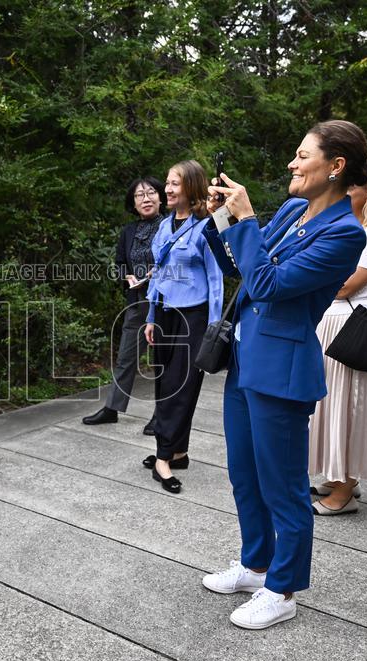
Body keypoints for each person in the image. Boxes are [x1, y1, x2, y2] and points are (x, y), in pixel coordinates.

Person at [200, 120, 367, 630]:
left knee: (285, 486)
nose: (292, 165)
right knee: (245, 475)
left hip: (284, 371)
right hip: (245, 360)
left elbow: (270, 285)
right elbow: (243, 268)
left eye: (302, 156)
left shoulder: (345, 234)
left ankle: (284, 588)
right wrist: (224, 222)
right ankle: (256, 565)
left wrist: (248, 217)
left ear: (335, 166)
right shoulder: (296, 210)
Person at [308, 162, 367, 515]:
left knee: (349, 409)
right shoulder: (358, 226)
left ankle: (343, 491)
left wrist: (313, 276)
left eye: (351, 189)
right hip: (335, 322)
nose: (344, 195)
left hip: (354, 326)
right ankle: (339, 477)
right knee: (332, 407)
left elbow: (347, 284)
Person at [141, 161, 223, 493]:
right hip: (163, 314)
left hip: (194, 316)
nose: (168, 189)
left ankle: (162, 458)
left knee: (181, 384)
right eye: (167, 183)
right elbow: (157, 274)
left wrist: (214, 326)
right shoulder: (164, 227)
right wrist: (150, 316)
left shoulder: (206, 227)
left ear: (191, 187)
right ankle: (179, 452)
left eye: (175, 184)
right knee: (164, 382)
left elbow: (216, 280)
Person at [83, 177, 165, 435]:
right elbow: (119, 263)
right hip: (138, 301)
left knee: (163, 359)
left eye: (151, 193)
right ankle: (112, 408)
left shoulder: (171, 226)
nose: (146, 199)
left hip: (165, 301)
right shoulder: (128, 231)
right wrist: (126, 276)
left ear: (161, 198)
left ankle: (161, 416)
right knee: (126, 357)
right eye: (140, 196)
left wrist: (159, 272)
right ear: (133, 203)